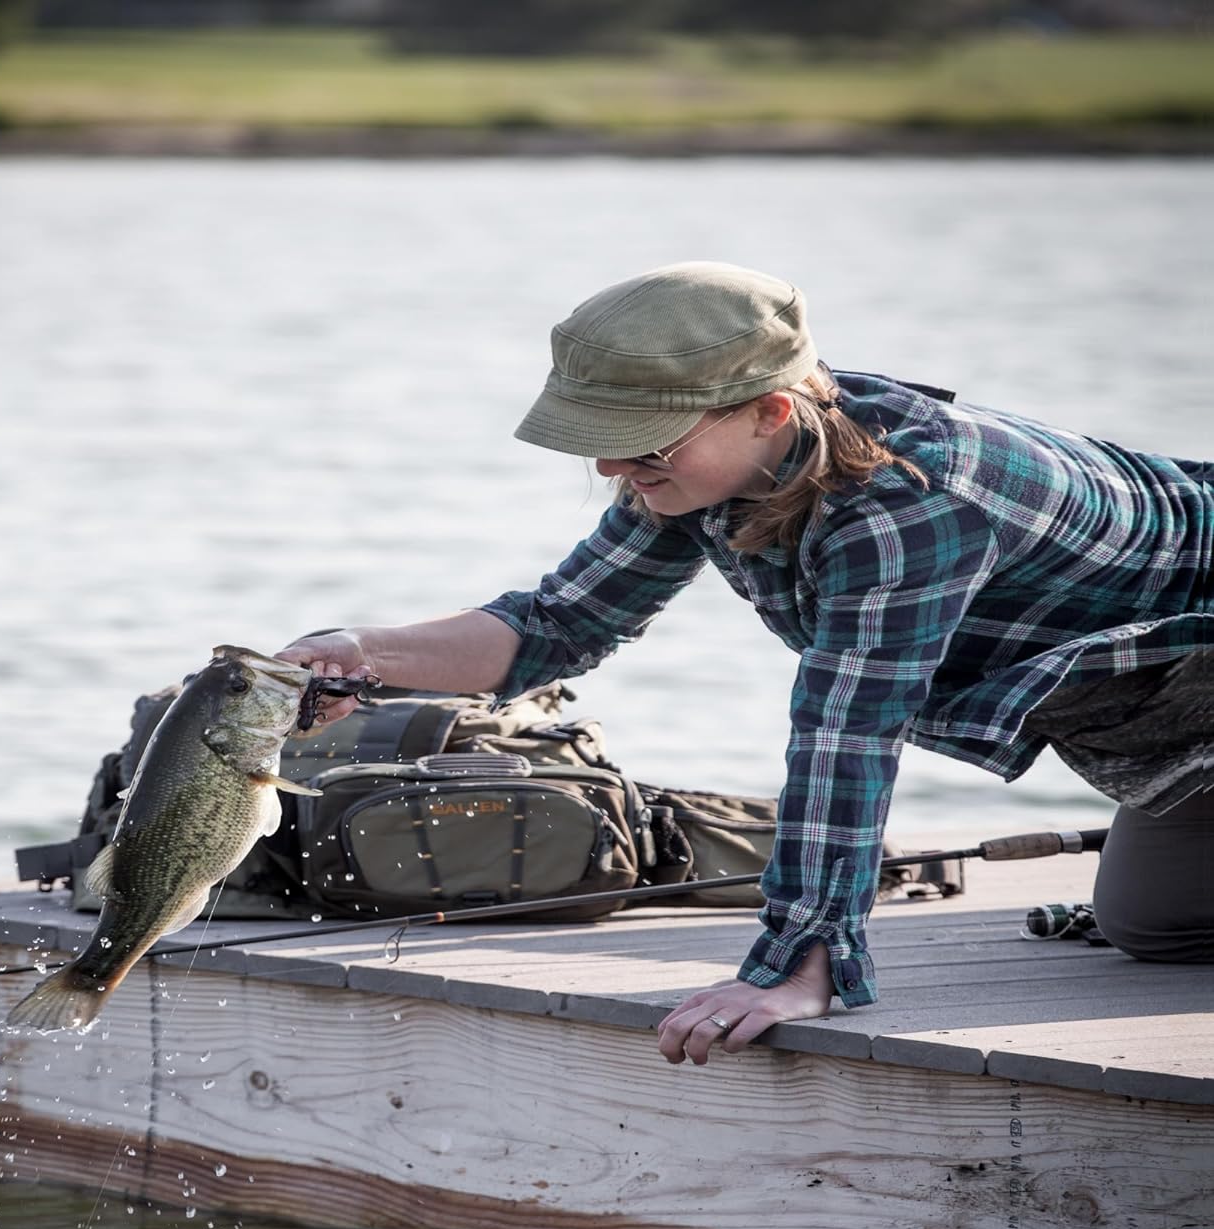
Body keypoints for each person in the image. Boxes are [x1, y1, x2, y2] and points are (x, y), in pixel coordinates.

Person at [278, 261, 1212, 1065]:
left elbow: (848, 739)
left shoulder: (909, 506)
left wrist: (802, 966)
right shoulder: (721, 467)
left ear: (769, 409)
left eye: (639, 441)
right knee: (1152, 925)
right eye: (598, 439)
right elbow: (558, 625)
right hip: (1163, 715)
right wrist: (366, 653)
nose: (613, 469)